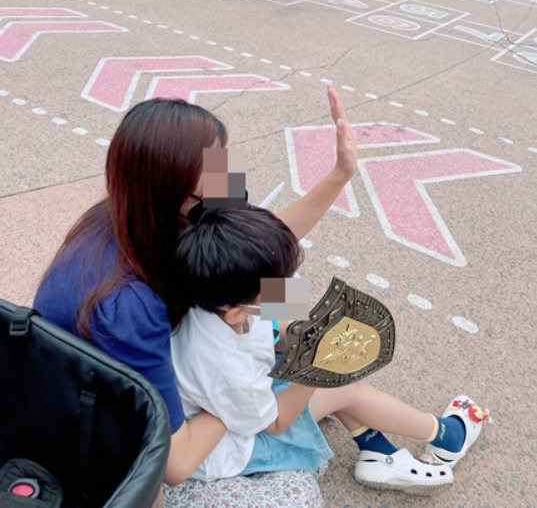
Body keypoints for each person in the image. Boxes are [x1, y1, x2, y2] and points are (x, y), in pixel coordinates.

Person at [32, 83, 360, 490]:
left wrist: (340, 175)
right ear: (172, 187)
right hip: (107, 431)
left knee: (299, 314)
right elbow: (177, 464)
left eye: (228, 159)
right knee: (329, 362)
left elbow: (251, 253)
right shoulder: (129, 308)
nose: (231, 179)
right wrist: (233, 396)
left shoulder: (130, 218)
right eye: (218, 168)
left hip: (142, 368)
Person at [171, 204, 490, 493]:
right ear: (238, 311)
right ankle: (448, 438)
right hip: (234, 447)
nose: (284, 292)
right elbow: (276, 421)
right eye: (273, 290)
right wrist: (316, 367)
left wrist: (305, 337)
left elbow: (267, 330)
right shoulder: (228, 368)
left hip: (234, 406)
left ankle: (376, 448)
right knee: (343, 386)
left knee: (328, 364)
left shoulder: (210, 299)